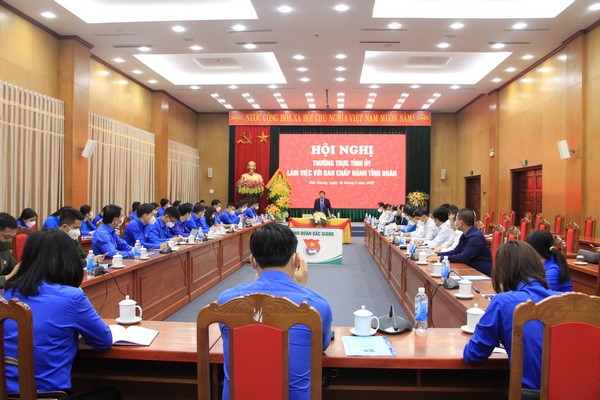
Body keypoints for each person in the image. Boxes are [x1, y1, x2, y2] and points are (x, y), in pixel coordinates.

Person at [218, 223, 332, 400]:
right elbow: (321, 346)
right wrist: (301, 288)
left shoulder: (227, 301)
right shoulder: (317, 306)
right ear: (296, 261)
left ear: (252, 261)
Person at [2, 230, 121, 399]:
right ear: (67, 259)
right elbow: (103, 341)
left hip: (7, 393)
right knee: (112, 394)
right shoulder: (72, 297)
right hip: (50, 395)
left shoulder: (8, 292)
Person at [463, 240, 559, 393]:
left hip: (530, 395)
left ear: (503, 271)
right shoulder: (567, 300)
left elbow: (473, 355)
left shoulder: (503, 302)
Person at [436, 208, 493, 276]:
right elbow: (455, 251)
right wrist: (438, 254)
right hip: (470, 270)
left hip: (480, 274)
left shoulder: (475, 237)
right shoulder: (464, 235)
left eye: (456, 220)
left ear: (460, 223)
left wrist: (441, 258)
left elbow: (463, 257)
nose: (455, 222)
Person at [0, 212, 20, 288]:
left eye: (12, 237)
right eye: (7, 237)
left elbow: (14, 267)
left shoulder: (4, 248)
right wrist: (9, 276)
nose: (9, 241)